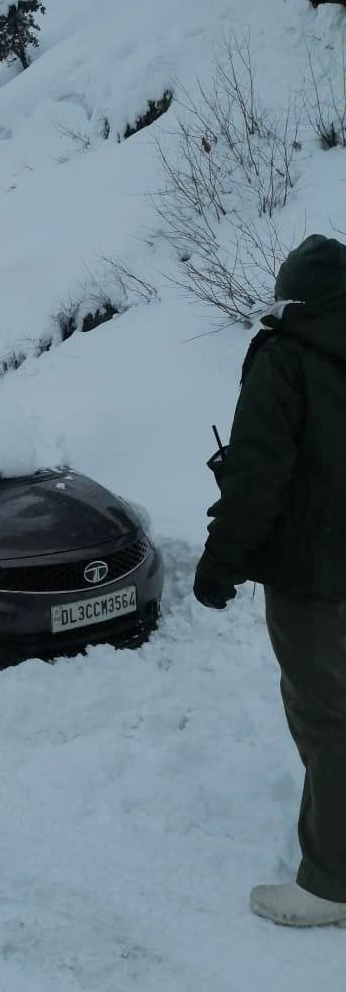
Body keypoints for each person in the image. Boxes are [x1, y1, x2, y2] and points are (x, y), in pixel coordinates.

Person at [193, 234, 346, 928]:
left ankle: (330, 884)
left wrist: (221, 563)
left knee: (329, 720)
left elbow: (258, 474)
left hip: (315, 577)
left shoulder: (285, 357)